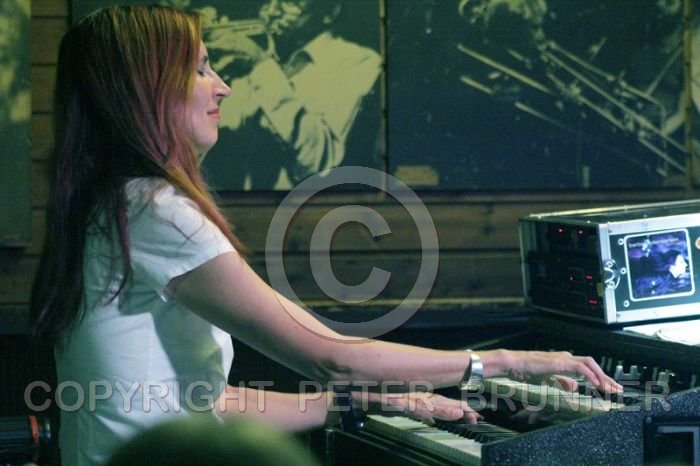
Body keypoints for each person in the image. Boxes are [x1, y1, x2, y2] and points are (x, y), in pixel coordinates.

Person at [29, 5, 621, 465]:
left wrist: (348, 403)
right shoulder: (156, 210)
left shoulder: (116, 205)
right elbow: (335, 357)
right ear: (145, 86)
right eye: (202, 67)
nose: (222, 86)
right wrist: (504, 362)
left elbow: (202, 403)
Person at [200, 0, 382, 190]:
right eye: (266, 2)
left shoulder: (358, 62)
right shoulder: (243, 59)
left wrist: (260, 66)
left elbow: (321, 163)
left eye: (290, 2)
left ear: (330, 11)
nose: (271, 11)